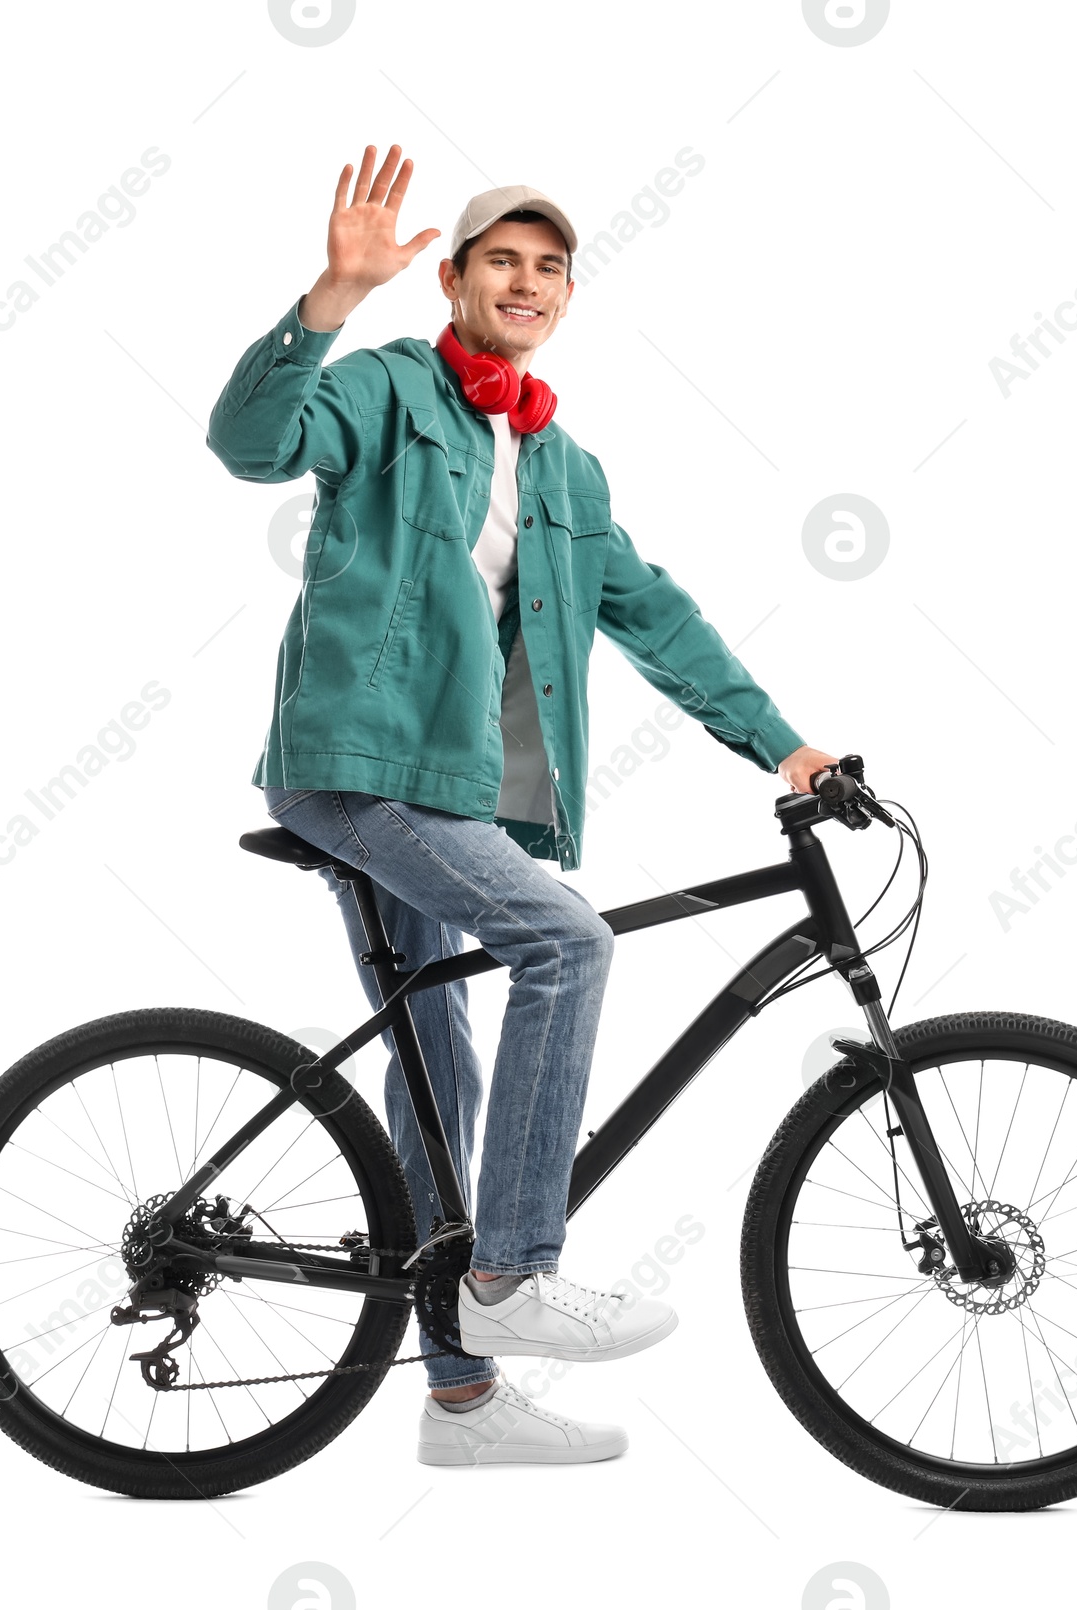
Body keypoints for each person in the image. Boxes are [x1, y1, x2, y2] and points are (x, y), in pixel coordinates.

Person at [206, 144, 838, 1467]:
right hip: (352, 769)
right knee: (568, 940)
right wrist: (331, 294)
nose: (528, 280)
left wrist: (784, 747)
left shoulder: (563, 470)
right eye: (503, 257)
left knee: (444, 1060)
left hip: (450, 793)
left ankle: (460, 1401)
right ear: (450, 279)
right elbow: (250, 443)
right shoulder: (383, 389)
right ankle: (511, 1276)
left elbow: (654, 613)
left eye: (551, 266)